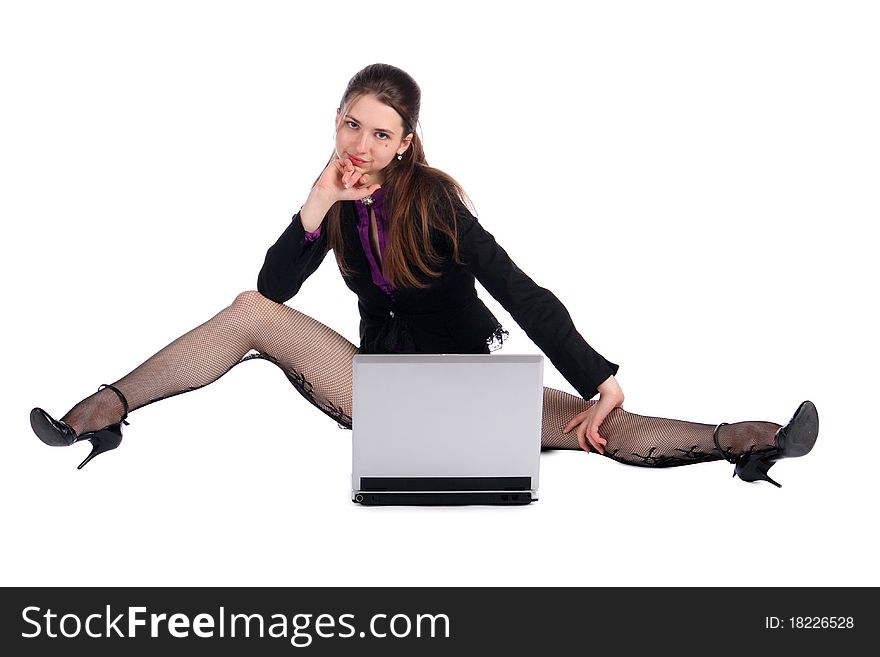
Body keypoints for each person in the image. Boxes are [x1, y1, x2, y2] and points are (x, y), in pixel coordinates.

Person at [29, 63, 818, 485]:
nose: (361, 143)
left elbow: (519, 290)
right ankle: (105, 408)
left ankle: (751, 439)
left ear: (407, 141)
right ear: (334, 121)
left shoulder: (435, 201)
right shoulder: (333, 193)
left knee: (591, 421)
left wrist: (600, 374)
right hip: (384, 392)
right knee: (247, 309)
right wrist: (314, 203)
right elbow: (271, 294)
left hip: (458, 395)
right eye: (350, 124)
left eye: (379, 132)